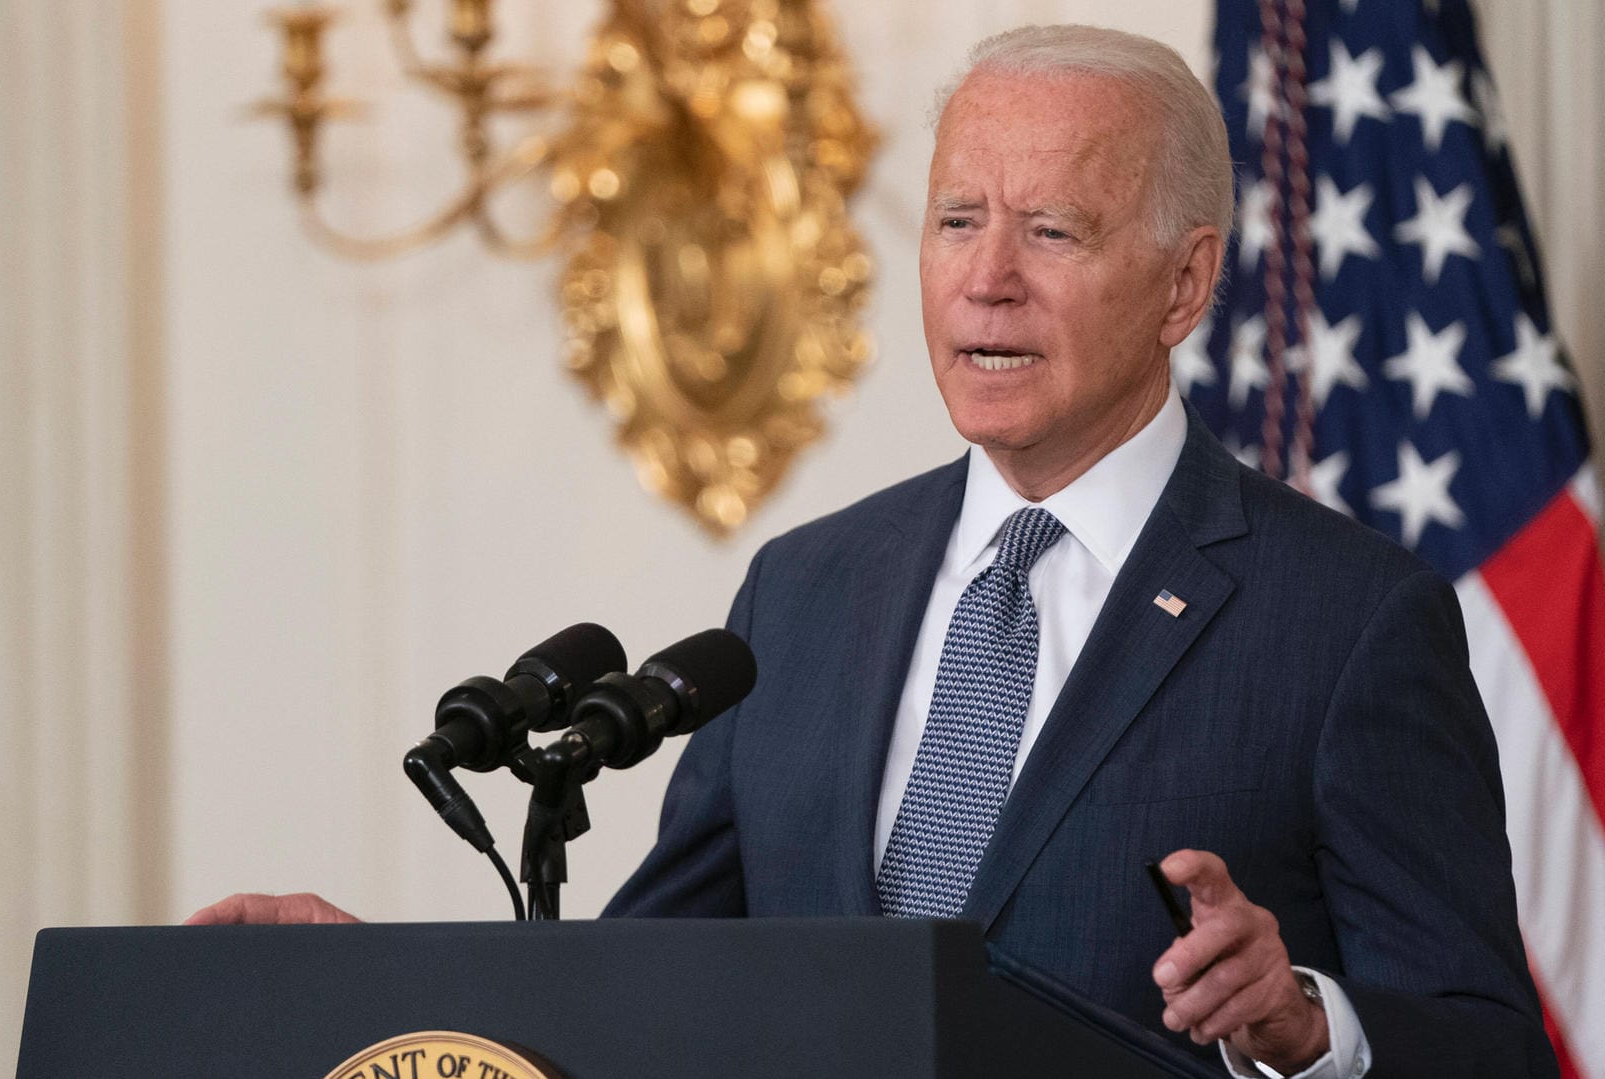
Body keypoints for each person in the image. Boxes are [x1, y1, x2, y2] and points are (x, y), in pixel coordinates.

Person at [191, 24, 1555, 1079]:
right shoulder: (807, 590)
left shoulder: (1348, 619)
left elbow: (1492, 1047)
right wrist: (378, 995)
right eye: (958, 218)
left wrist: (1311, 1025)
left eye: (1053, 230)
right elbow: (643, 994)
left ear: (1187, 284)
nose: (986, 277)